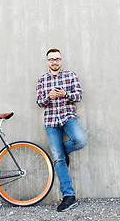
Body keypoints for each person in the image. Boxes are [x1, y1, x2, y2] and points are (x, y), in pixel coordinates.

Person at [36, 48, 87, 212]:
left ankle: (63, 152)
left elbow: (78, 96)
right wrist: (48, 97)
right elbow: (39, 102)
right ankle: (68, 196)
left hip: (67, 117)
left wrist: (65, 94)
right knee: (58, 159)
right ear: (47, 62)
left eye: (57, 59)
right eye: (51, 59)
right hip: (50, 121)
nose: (55, 62)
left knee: (80, 141)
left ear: (61, 60)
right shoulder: (42, 79)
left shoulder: (71, 75)